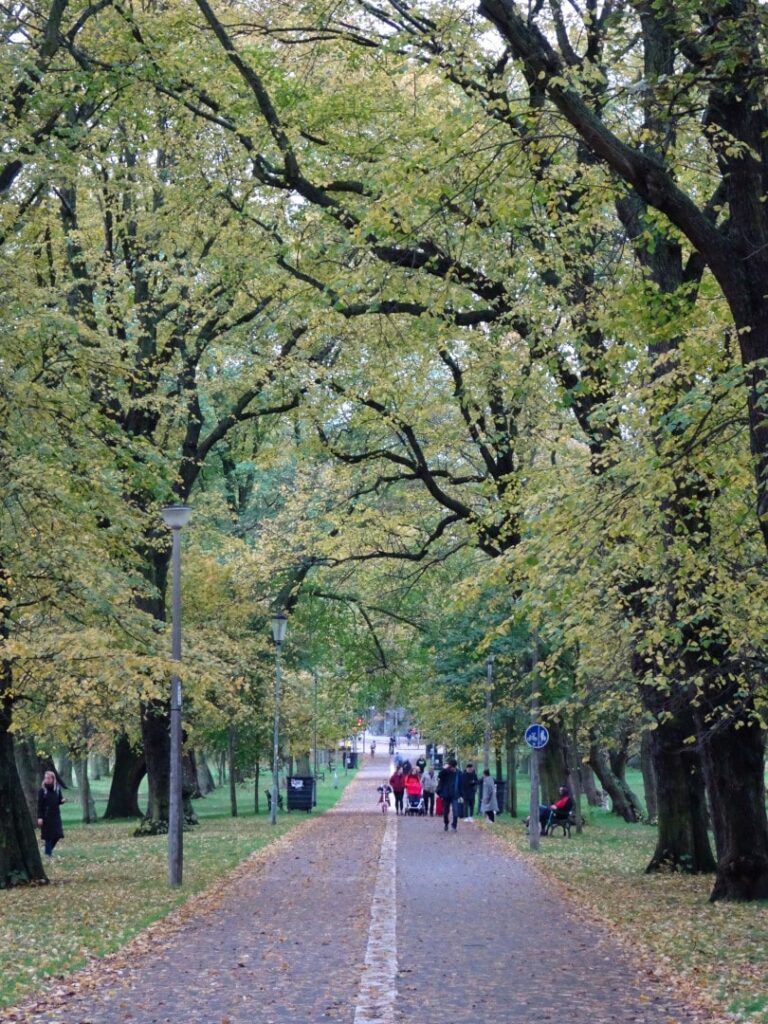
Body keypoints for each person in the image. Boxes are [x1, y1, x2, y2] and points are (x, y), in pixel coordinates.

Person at [37, 770, 65, 857]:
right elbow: (39, 805)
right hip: (46, 815)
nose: (47, 780)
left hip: (55, 815)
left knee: (57, 834)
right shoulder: (42, 790)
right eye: (45, 778)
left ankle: (47, 849)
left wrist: (62, 801)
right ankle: (48, 853)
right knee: (48, 836)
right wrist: (40, 817)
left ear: (53, 779)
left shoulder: (57, 788)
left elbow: (59, 800)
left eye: (48, 778)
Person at [437, 759, 462, 831]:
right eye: (450, 767)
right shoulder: (445, 772)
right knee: (445, 812)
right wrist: (444, 768)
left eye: (453, 767)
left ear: (455, 767)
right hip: (446, 795)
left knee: (456, 811)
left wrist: (461, 795)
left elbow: (461, 784)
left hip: (455, 795)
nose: (452, 769)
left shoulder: (459, 773)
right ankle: (446, 823)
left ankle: (454, 825)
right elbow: (439, 775)